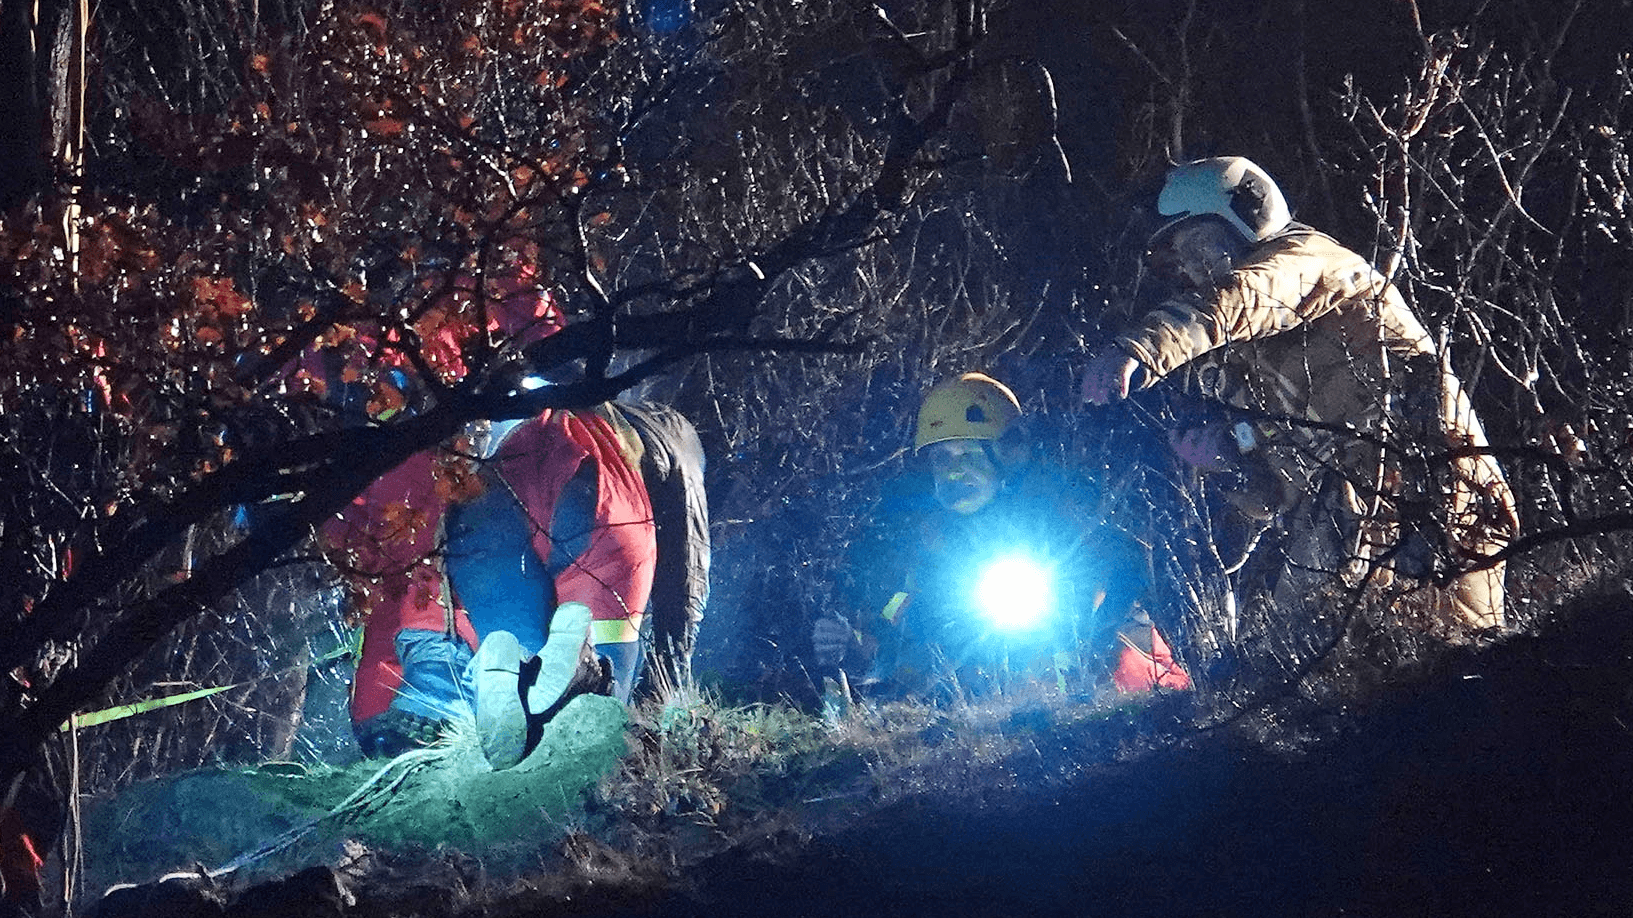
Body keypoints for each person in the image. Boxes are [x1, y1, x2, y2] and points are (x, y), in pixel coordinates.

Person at [1081, 156, 1518, 637]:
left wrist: (1142, 347)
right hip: (1347, 505)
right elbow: (1280, 486)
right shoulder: (1244, 361)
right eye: (1185, 260)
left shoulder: (1306, 261)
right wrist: (1232, 459)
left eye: (1203, 246)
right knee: (1321, 655)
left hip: (1427, 463)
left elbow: (1248, 296)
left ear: (1246, 221)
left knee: (1460, 638)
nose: (1197, 269)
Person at [318, 269, 709, 771]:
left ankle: (528, 689)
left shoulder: (390, 442)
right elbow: (681, 592)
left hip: (532, 488)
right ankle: (581, 696)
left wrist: (373, 719)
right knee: (612, 658)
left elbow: (389, 602)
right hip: (596, 496)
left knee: (488, 603)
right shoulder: (620, 437)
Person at [812, 372, 1189, 701]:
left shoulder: (1064, 518)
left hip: (1120, 713)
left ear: (1007, 455)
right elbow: (910, 648)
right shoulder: (929, 546)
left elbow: (1109, 597)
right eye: (943, 458)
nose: (955, 472)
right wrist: (856, 646)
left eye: (970, 454)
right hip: (1005, 733)